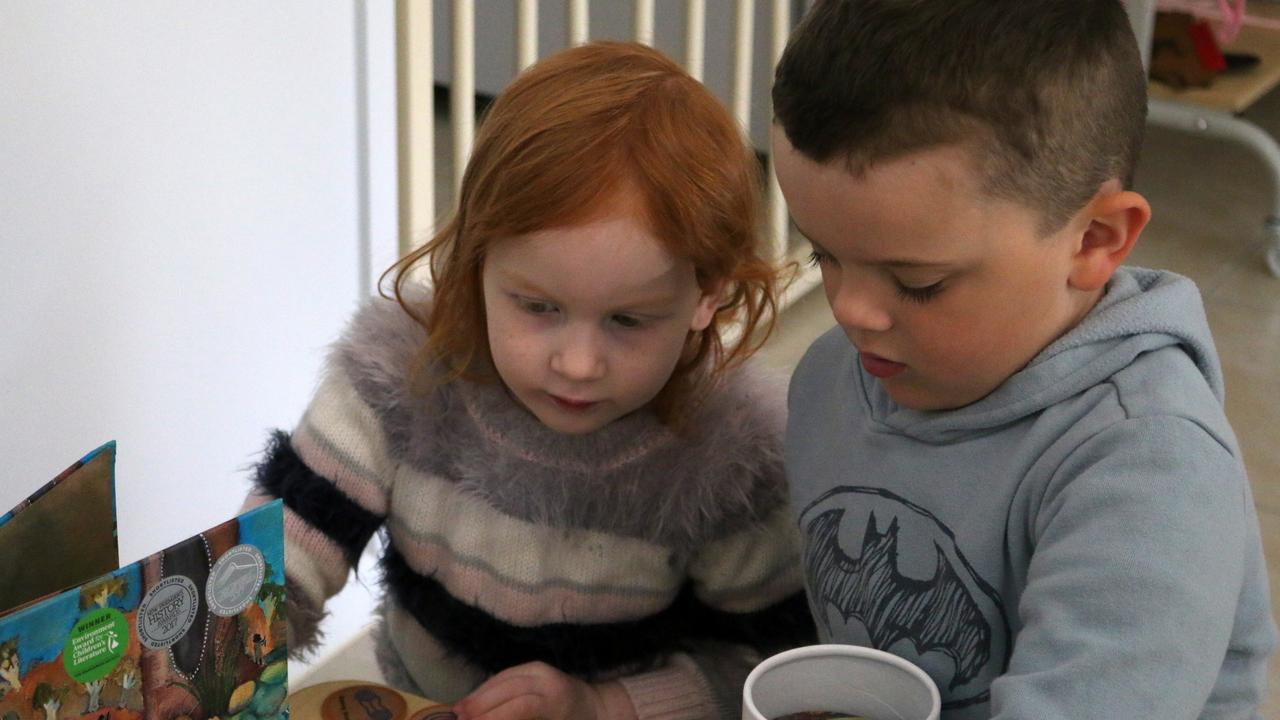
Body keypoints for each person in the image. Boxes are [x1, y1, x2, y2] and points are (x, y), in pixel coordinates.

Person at [243, 41, 814, 720]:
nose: (577, 363)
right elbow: (281, 556)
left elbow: (768, 670)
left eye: (628, 321)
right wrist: (219, 646)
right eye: (538, 308)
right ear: (477, 259)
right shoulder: (397, 372)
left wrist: (600, 707)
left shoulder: (732, 455)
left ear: (708, 295)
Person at [770, 1, 1276, 718]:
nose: (850, 311)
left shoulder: (1149, 466)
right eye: (824, 253)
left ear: (1096, 238)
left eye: (919, 283)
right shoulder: (833, 376)